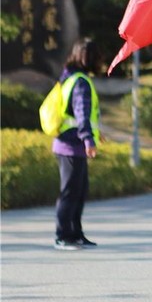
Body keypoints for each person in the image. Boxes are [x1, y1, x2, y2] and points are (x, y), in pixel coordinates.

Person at [51, 38, 102, 250]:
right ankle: (63, 236)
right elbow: (81, 115)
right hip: (71, 146)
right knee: (70, 193)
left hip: (73, 145)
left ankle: (76, 233)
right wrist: (89, 140)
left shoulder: (70, 78)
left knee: (79, 192)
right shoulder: (80, 82)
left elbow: (84, 116)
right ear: (89, 58)